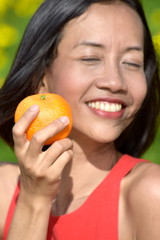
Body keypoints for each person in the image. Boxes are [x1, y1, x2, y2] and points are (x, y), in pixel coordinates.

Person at [0, 0, 160, 239]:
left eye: (132, 63)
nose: (115, 82)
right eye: (90, 58)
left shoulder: (151, 193)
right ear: (41, 76)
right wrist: (33, 201)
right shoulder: (4, 189)